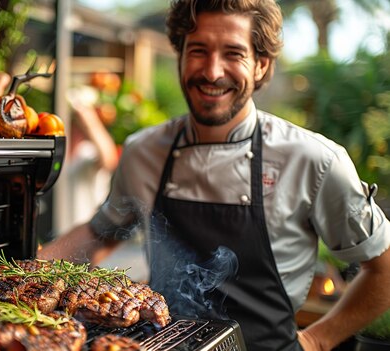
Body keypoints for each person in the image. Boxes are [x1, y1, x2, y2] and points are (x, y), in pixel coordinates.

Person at [38, 0, 390, 350]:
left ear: (260, 65)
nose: (212, 71)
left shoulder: (313, 160)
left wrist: (316, 339)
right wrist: (27, 268)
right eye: (198, 50)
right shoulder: (144, 151)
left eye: (233, 54)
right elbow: (100, 235)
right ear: (180, 54)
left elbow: (383, 267)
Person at [64, 72, 120, 228]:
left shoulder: (89, 153)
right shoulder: (59, 151)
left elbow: (109, 160)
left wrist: (88, 119)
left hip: (84, 241)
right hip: (54, 236)